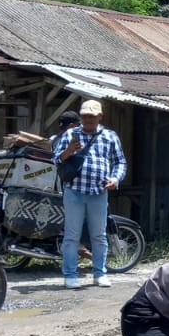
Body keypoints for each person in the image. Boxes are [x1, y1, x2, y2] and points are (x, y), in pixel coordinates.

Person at [53, 100, 127, 290]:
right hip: (74, 192)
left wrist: (115, 179)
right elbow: (56, 159)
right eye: (85, 116)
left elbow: (120, 162)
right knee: (72, 236)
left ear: (100, 117)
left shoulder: (110, 137)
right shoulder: (71, 134)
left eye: (92, 117)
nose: (88, 120)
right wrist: (68, 151)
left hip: (99, 193)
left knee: (99, 236)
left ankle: (99, 274)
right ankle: (70, 275)